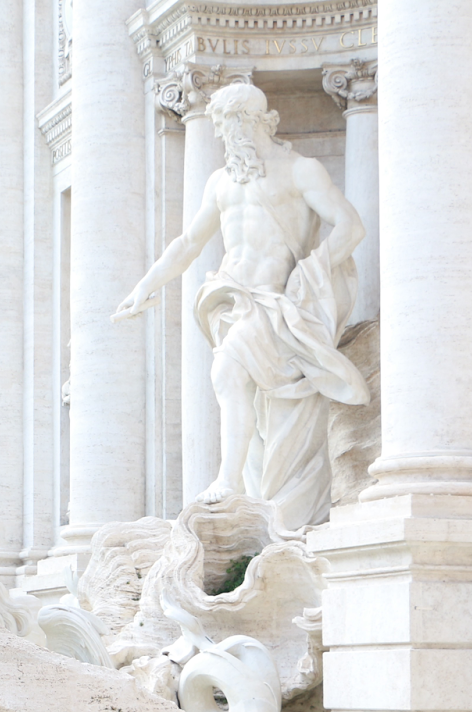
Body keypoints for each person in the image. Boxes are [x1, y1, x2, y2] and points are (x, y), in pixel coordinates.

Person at [115, 82, 368, 529]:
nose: (224, 137)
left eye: (229, 126)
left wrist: (310, 275)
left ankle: (227, 482)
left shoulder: (300, 170)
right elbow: (189, 242)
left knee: (225, 372)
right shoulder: (220, 182)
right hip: (232, 298)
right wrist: (146, 285)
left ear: (254, 121)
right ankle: (242, 487)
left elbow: (350, 226)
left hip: (275, 303)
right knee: (239, 388)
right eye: (218, 128)